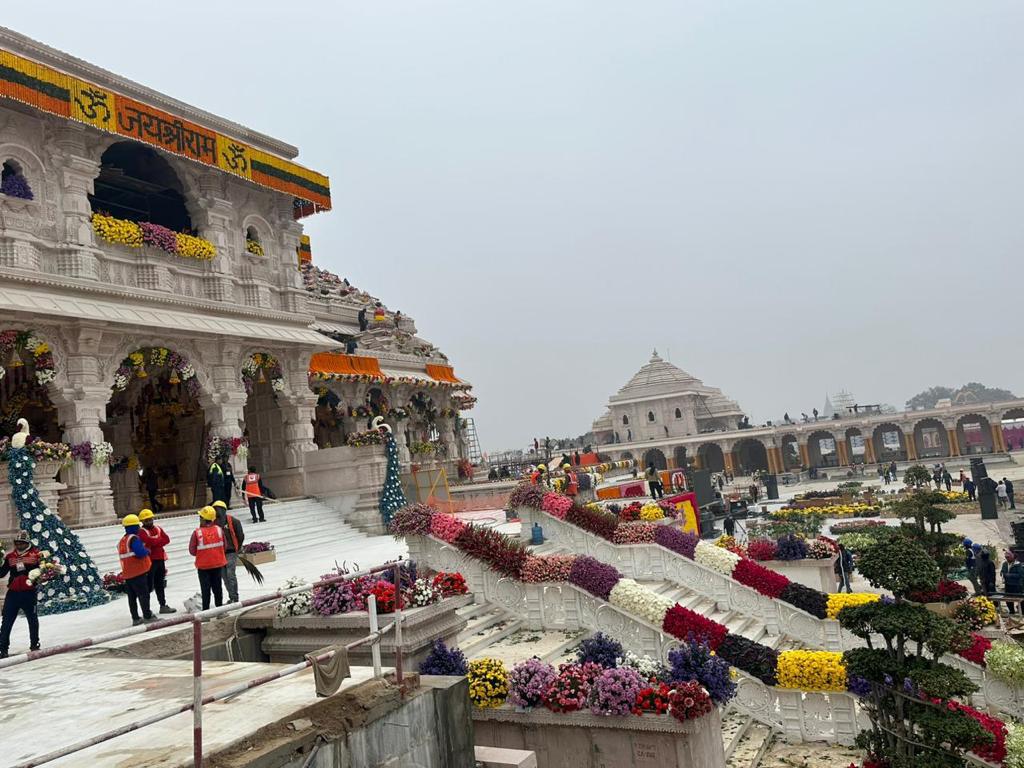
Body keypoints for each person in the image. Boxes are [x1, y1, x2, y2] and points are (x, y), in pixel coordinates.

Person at [0, 530, 41, 657]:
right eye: (17, 543)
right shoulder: (10, 557)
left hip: (29, 593)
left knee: (32, 620)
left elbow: (43, 572)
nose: (19, 545)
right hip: (13, 593)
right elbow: (2, 573)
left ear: (27, 543)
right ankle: (3, 648)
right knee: (6, 621)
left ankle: (34, 644)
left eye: (22, 543)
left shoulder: (36, 555)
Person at [118, 514, 154, 626]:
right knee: (143, 595)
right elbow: (140, 553)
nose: (139, 527)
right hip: (138, 572)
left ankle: (135, 618)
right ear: (133, 527)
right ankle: (147, 616)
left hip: (127, 574)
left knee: (132, 598)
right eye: (137, 525)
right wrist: (147, 551)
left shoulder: (122, 540)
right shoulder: (134, 539)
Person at [189, 506, 227, 610]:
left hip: (203, 567)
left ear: (202, 519)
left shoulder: (197, 533)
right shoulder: (219, 530)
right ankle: (220, 610)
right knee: (217, 588)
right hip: (217, 564)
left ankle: (206, 612)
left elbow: (192, 551)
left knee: (205, 590)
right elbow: (225, 546)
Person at [138, 509, 175, 615]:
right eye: (147, 520)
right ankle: (147, 610)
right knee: (149, 586)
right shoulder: (141, 532)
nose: (149, 522)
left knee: (160, 584)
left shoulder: (158, 528)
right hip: (149, 562)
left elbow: (167, 539)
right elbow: (149, 541)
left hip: (160, 559)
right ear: (142, 522)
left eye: (150, 519)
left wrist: (155, 542)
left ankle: (163, 605)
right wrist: (158, 541)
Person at [213, 500, 245, 604]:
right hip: (219, 554)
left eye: (218, 509)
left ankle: (234, 597)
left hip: (231, 552)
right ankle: (231, 596)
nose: (216, 511)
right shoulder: (213, 523)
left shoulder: (234, 521)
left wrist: (237, 548)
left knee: (230, 574)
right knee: (224, 576)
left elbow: (240, 536)